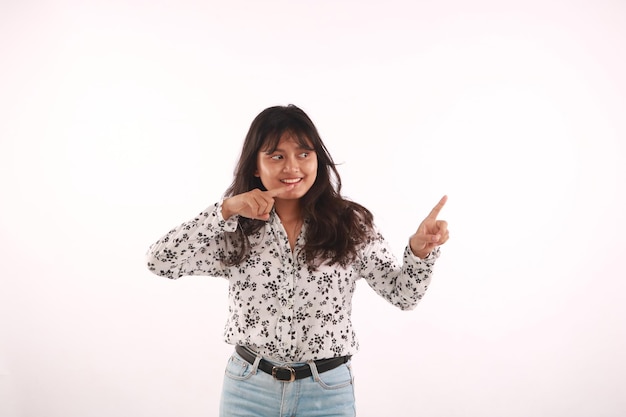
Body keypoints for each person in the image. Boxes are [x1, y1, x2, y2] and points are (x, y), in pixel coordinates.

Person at [146, 104, 449, 417]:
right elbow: (160, 261)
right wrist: (224, 210)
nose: (292, 167)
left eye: (303, 154)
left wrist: (420, 252)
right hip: (248, 390)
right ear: (255, 166)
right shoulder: (236, 228)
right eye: (277, 156)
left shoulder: (350, 224)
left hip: (327, 394)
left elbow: (404, 295)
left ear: (317, 158)